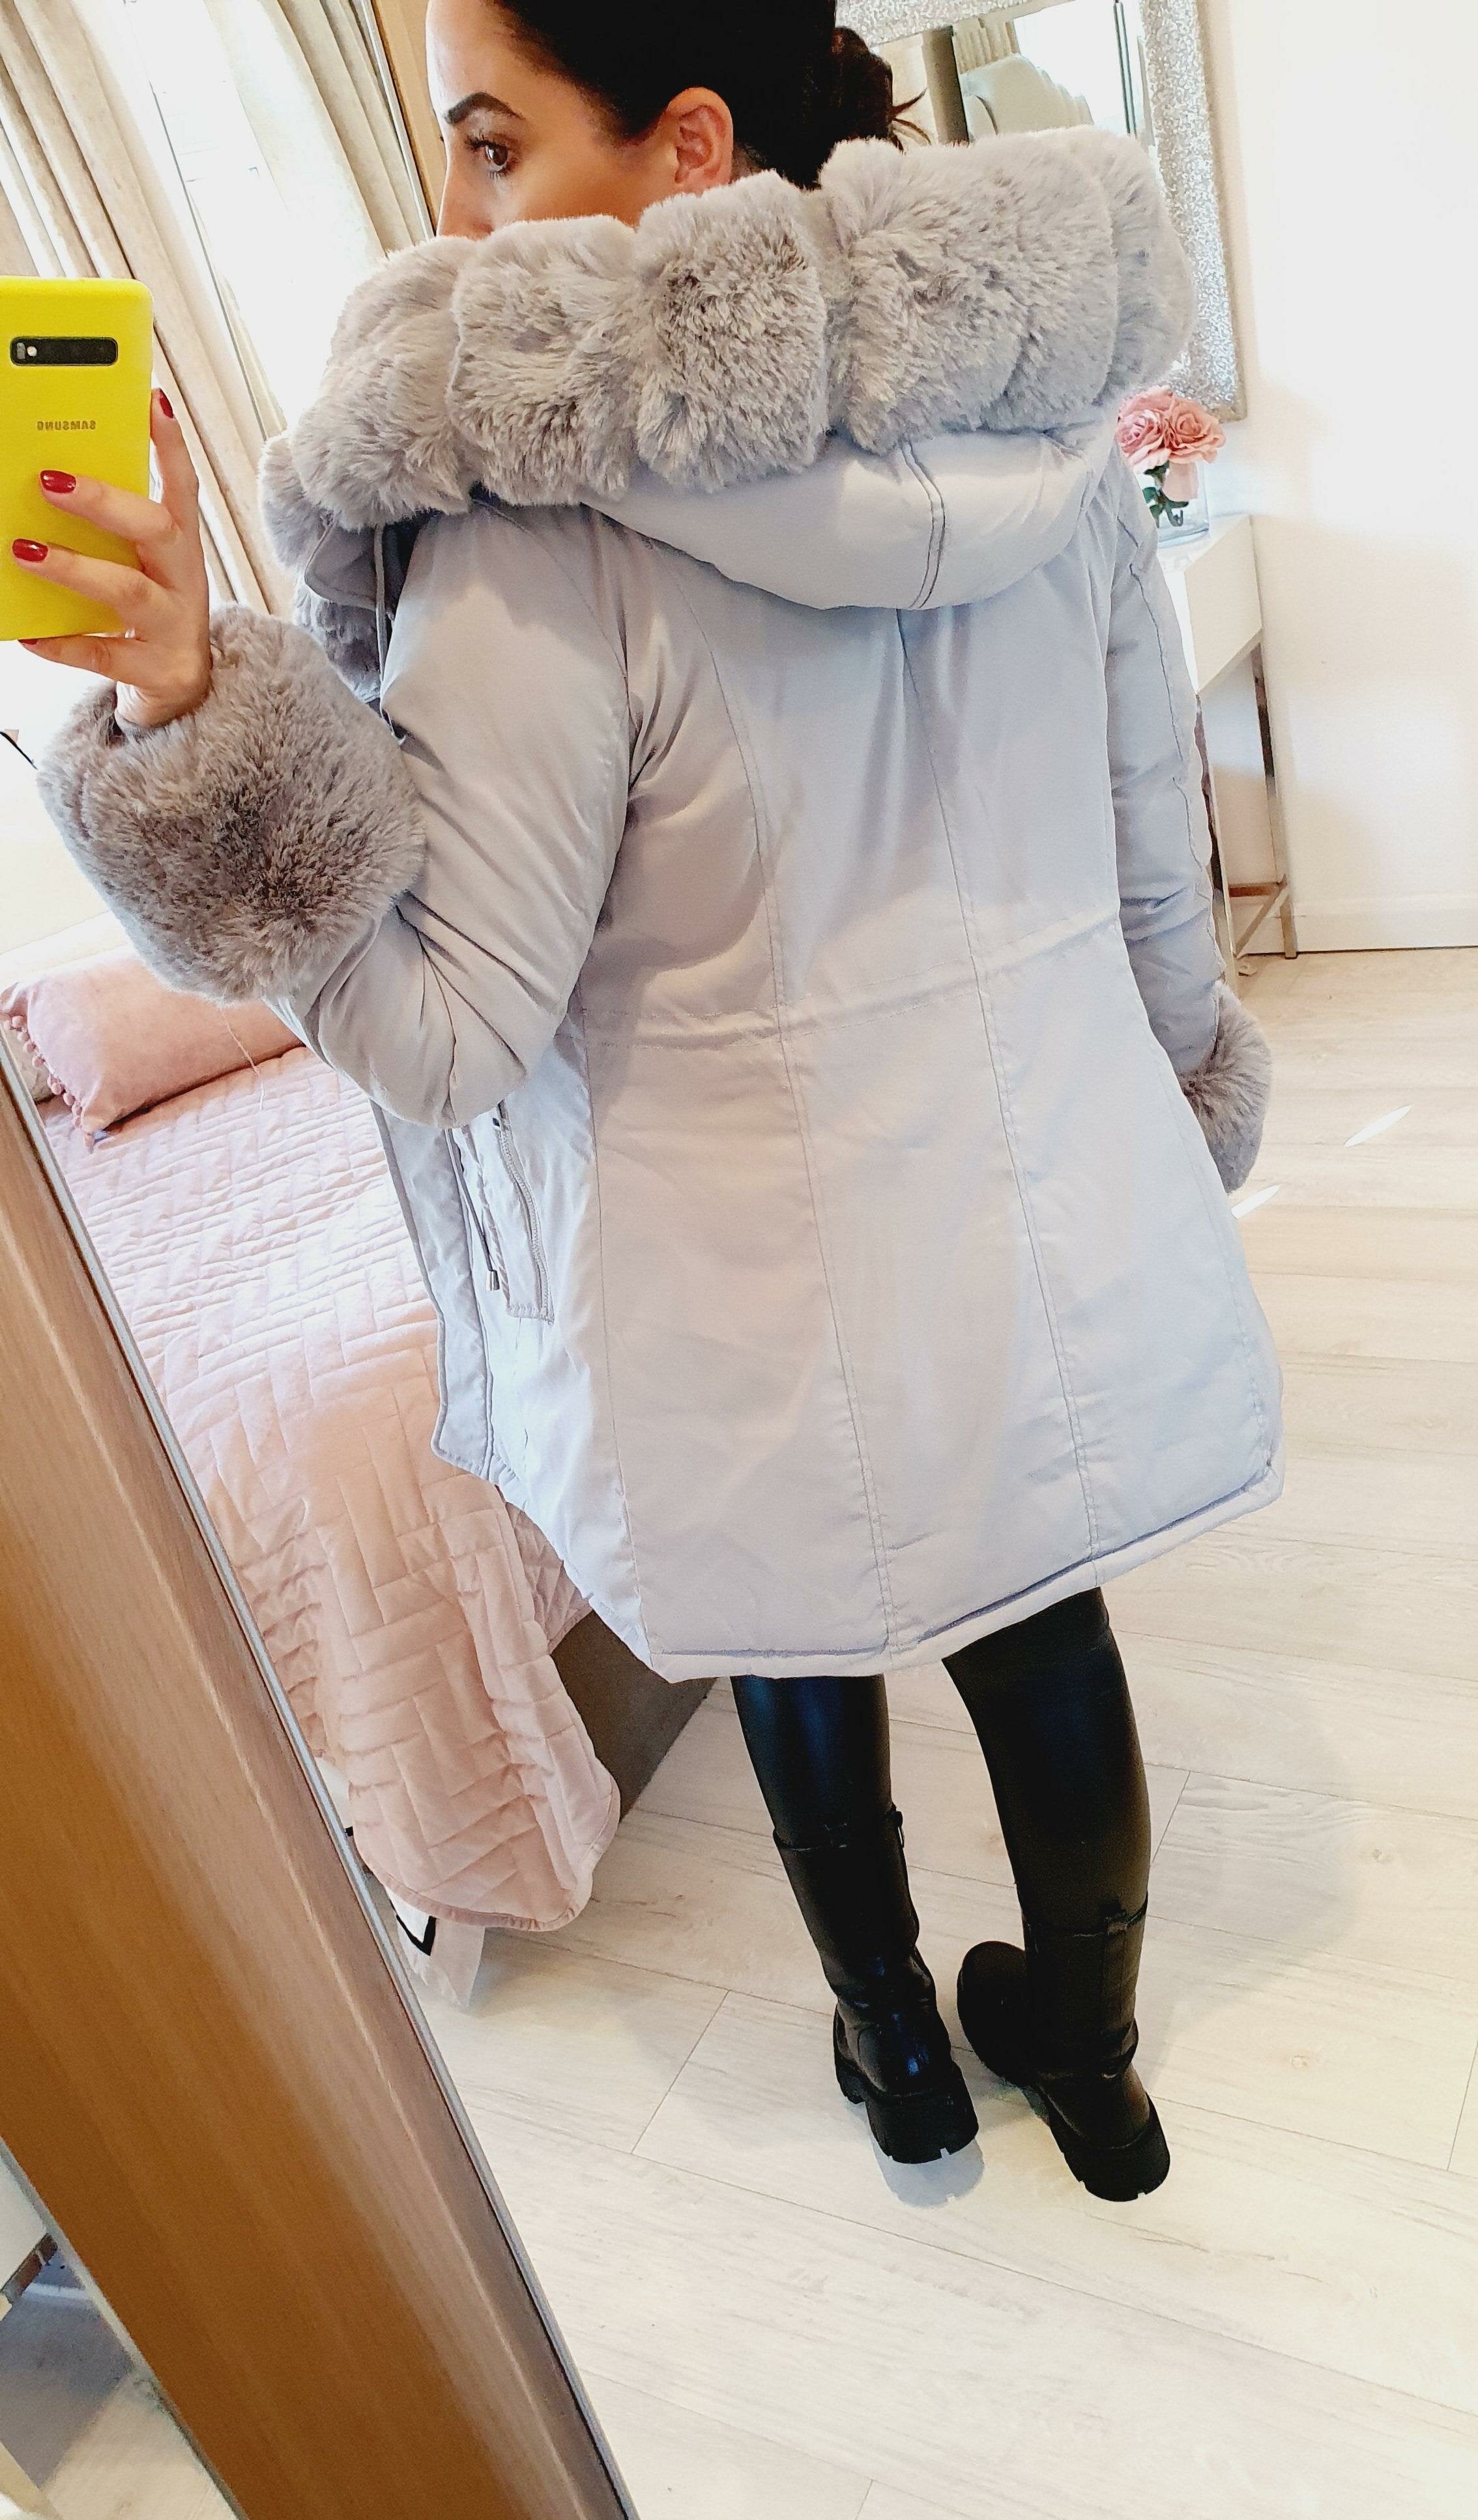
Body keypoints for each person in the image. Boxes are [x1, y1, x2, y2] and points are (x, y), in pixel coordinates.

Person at [19, 0, 1282, 2198]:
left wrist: (208, 717)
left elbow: (445, 1035)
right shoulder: (1055, 451)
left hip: (740, 1290)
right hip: (1040, 1214)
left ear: (687, 145)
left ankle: (894, 2053)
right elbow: (1152, 872)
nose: (451, 212)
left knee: (802, 1641)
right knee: (1044, 1620)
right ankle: (1091, 2067)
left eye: (490, 142)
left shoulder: (533, 535)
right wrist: (1180, 1112)